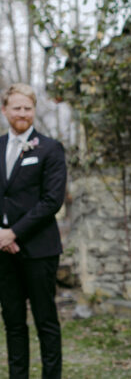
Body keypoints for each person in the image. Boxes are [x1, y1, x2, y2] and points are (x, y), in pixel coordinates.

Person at [0, 83, 67, 379]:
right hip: (2, 252)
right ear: (5, 110)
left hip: (39, 250)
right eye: (17, 107)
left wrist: (13, 233)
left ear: (34, 111)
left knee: (46, 323)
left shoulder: (50, 148)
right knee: (13, 323)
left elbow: (52, 200)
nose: (22, 113)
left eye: (28, 108)